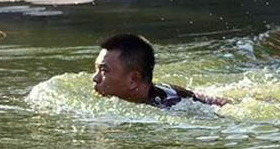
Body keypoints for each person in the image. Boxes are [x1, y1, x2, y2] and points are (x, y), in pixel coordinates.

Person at [92, 33, 229, 108]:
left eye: (104, 70)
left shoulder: (170, 107)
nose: (95, 78)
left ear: (133, 80)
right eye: (96, 69)